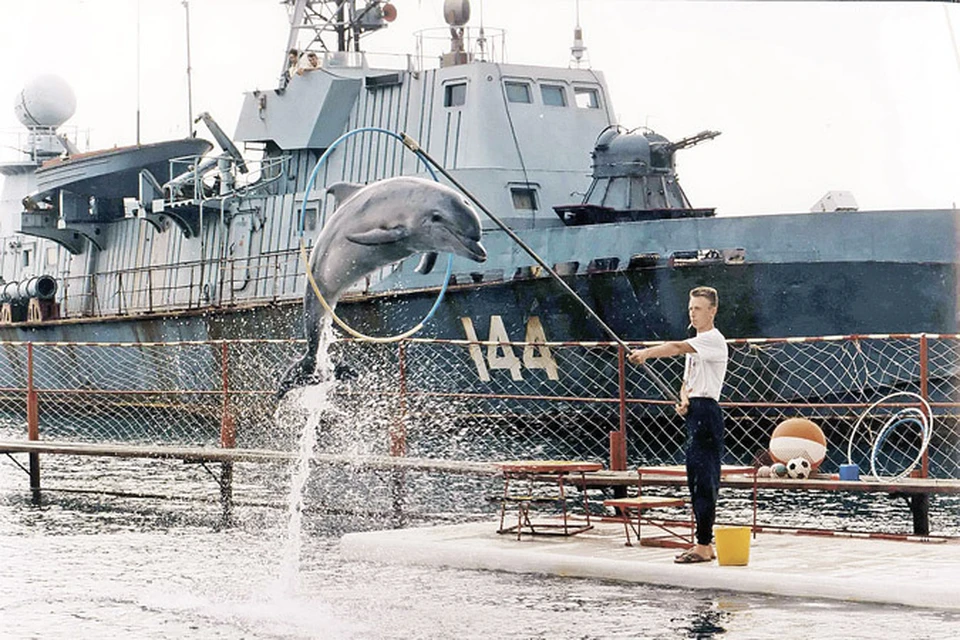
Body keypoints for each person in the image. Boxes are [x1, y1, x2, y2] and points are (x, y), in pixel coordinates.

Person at [627, 286, 728, 564]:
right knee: (694, 478)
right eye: (690, 308)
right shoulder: (696, 345)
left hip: (707, 412)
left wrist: (646, 353)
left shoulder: (712, 340)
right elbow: (686, 382)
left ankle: (704, 544)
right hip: (695, 411)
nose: (693, 314)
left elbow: (677, 347)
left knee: (705, 479)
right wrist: (684, 400)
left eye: (698, 309)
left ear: (712, 311)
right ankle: (702, 542)